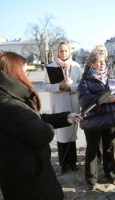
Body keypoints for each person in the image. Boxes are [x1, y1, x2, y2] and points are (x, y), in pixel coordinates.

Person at [0, 52, 83, 200]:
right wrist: (47, 127)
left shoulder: (7, 98)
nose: (26, 76)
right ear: (12, 73)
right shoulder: (5, 104)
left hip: (28, 172)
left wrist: (64, 117)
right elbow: (42, 132)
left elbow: (33, 118)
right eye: (25, 71)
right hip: (27, 178)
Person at [78, 51, 115, 190]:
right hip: (93, 121)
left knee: (109, 148)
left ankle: (110, 173)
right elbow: (84, 99)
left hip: (110, 119)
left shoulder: (111, 78)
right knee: (92, 150)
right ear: (91, 64)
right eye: (98, 62)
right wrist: (101, 99)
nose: (102, 63)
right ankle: (91, 178)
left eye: (103, 61)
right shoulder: (85, 80)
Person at [43, 42, 82, 173]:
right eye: (61, 51)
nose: (63, 53)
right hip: (59, 103)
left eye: (66, 51)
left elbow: (82, 85)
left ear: (70, 52)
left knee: (71, 134)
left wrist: (70, 86)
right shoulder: (51, 67)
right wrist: (59, 86)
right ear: (57, 52)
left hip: (72, 102)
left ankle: (73, 162)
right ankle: (63, 163)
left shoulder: (76, 66)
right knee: (61, 135)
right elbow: (46, 86)